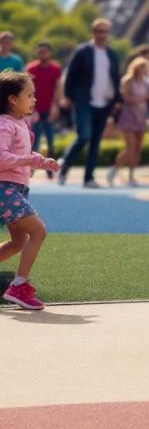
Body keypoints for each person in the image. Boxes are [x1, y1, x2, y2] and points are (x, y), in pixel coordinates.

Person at [0, 71, 60, 309]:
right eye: (29, 95)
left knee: (18, 242)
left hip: (16, 190)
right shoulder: (4, 125)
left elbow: (23, 154)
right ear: (13, 99)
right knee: (38, 232)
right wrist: (28, 160)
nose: (34, 100)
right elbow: (2, 158)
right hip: (5, 190)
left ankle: (18, 286)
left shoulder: (20, 123)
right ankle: (18, 287)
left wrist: (42, 161)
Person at [58, 18, 121, 188]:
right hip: (84, 101)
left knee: (95, 142)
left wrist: (117, 99)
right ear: (93, 32)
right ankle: (65, 164)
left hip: (104, 103)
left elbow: (116, 78)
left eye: (104, 31)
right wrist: (67, 96)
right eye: (98, 31)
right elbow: (71, 75)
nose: (101, 34)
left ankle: (89, 178)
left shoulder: (112, 54)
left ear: (108, 34)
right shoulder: (82, 51)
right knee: (84, 136)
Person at [109, 58, 149, 187]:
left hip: (141, 117)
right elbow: (126, 98)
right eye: (141, 67)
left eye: (145, 67)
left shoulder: (146, 82)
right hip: (129, 116)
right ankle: (115, 169)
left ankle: (131, 176)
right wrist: (144, 98)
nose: (144, 70)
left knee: (137, 149)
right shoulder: (128, 80)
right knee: (130, 148)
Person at [26, 42, 62, 165]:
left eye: (44, 52)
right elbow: (27, 90)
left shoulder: (55, 69)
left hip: (49, 109)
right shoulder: (31, 69)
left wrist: (55, 106)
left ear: (49, 53)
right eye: (39, 52)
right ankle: (33, 166)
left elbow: (58, 88)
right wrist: (30, 109)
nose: (42, 54)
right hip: (34, 109)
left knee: (50, 139)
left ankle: (50, 165)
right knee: (34, 139)